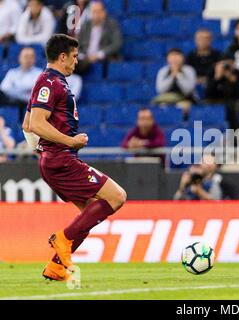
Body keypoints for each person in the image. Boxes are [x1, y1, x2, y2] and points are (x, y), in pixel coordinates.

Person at [23, 34, 126, 282]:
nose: (76, 62)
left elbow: (27, 123)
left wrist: (42, 149)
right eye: (74, 57)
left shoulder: (51, 81)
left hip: (56, 158)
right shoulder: (50, 82)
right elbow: (36, 123)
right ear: (62, 57)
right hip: (61, 158)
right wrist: (69, 141)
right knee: (117, 196)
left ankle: (57, 267)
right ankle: (63, 239)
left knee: (90, 213)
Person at [76, 0, 122, 74]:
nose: (96, 15)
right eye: (94, 12)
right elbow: (77, 44)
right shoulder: (85, 25)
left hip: (103, 57)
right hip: (85, 58)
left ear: (104, 13)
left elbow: (116, 44)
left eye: (98, 12)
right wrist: (83, 55)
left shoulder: (111, 25)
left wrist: (99, 55)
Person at [0, 47, 42, 119]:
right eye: (26, 56)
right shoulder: (12, 72)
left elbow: (35, 90)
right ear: (19, 57)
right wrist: (25, 91)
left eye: (31, 57)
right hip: (13, 101)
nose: (28, 59)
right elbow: (4, 88)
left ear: (34, 59)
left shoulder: (40, 73)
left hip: (31, 103)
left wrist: (14, 88)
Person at [154, 48, 197, 116]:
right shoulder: (163, 71)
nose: (174, 58)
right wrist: (172, 76)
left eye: (177, 55)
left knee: (183, 107)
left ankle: (185, 125)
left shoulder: (189, 70)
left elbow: (188, 90)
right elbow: (160, 90)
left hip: (187, 99)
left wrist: (178, 75)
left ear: (182, 58)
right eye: (172, 56)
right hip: (167, 99)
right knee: (161, 108)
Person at [204, 58, 239, 129]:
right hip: (213, 101)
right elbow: (207, 94)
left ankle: (233, 135)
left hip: (231, 102)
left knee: (230, 108)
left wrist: (231, 79)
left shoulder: (237, 73)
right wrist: (216, 78)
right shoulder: (211, 73)